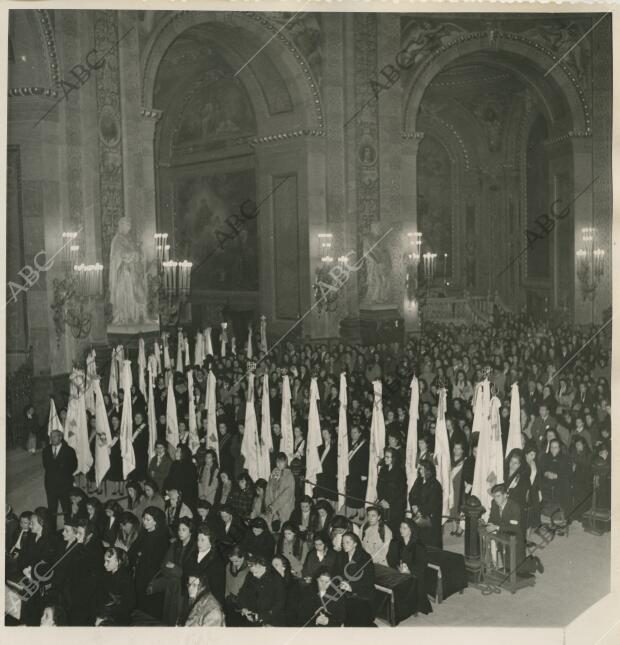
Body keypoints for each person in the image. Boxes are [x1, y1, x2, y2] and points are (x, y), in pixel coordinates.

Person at [485, 484, 542, 578]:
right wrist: (490, 524)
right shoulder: (494, 503)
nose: (496, 499)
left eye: (498, 496)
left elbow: (513, 528)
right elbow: (492, 517)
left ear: (505, 495)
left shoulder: (514, 507)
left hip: (515, 539)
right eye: (494, 496)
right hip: (502, 537)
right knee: (508, 568)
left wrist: (496, 527)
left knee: (520, 570)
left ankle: (533, 562)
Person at [386, 518, 433, 615]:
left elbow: (421, 564)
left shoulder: (418, 546)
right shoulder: (395, 542)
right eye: (400, 527)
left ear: (411, 530)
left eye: (405, 528)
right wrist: (398, 567)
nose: (401, 530)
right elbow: (390, 558)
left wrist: (409, 571)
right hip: (398, 571)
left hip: (414, 574)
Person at [129, 507, 169, 619]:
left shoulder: (161, 537)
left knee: (151, 608)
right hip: (141, 573)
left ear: (156, 521)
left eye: (148, 520)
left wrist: (140, 554)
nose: (144, 522)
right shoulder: (144, 533)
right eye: (144, 519)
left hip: (153, 576)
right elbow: (133, 550)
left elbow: (157, 559)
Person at [336, 531, 375, 626]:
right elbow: (336, 573)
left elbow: (369, 580)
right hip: (344, 591)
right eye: (343, 542)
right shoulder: (341, 555)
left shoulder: (365, 558)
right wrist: (341, 582)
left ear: (355, 544)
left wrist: (352, 587)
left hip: (361, 593)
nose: (344, 545)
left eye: (347, 542)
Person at [42, 429, 77, 529]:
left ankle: (68, 527)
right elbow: (46, 466)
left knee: (66, 508)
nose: (52, 439)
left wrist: (63, 474)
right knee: (52, 509)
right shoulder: (46, 450)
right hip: (51, 485)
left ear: (60, 437)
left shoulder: (69, 450)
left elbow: (74, 466)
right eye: (51, 437)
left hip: (65, 485)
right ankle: (52, 530)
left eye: (55, 436)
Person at [237, 553, 286, 626]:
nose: (254, 575)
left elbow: (279, 604)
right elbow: (242, 593)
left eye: (256, 572)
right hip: (251, 617)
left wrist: (261, 616)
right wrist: (244, 608)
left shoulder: (276, 579)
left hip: (270, 621)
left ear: (264, 567)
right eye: (252, 572)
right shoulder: (251, 575)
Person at [185, 523, 226, 606]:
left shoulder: (216, 562)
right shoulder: (192, 554)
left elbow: (217, 591)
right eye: (198, 539)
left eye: (203, 540)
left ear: (211, 542)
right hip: (190, 598)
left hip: (206, 603)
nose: (199, 543)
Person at [408, 460, 444, 548]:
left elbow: (432, 503)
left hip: (430, 518)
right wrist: (413, 505)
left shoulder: (435, 485)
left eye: (422, 469)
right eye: (420, 469)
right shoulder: (418, 480)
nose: (420, 471)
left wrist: (420, 511)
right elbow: (411, 494)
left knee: (429, 542)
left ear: (428, 470)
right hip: (418, 514)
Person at [97, 547, 136, 626]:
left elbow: (129, 604)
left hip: (119, 617)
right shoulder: (107, 574)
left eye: (108, 561)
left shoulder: (125, 578)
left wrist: (104, 616)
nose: (105, 564)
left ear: (118, 562)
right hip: (107, 611)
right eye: (104, 560)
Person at [376, 447, 408, 534]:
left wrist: (389, 502)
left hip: (395, 507)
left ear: (393, 458)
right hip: (383, 504)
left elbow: (400, 491)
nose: (385, 459)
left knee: (394, 531)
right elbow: (379, 486)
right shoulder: (383, 469)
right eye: (385, 456)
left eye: (387, 457)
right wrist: (382, 499)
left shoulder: (400, 472)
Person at [265, 452, 296, 531]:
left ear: (285, 462)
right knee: (271, 529)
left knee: (284, 529)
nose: (279, 464)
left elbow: (287, 494)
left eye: (281, 462)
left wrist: (275, 505)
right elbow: (268, 489)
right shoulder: (273, 473)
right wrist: (268, 504)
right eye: (277, 462)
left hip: (285, 507)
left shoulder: (289, 475)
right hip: (272, 507)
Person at [345, 425, 369, 520]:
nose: (352, 434)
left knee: (359, 493)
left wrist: (365, 474)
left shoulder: (364, 444)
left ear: (359, 433)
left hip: (360, 473)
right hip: (351, 472)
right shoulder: (350, 444)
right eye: (351, 432)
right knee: (352, 493)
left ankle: (362, 513)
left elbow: (366, 460)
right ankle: (354, 512)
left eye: (355, 432)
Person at [271, 554, 302, 626]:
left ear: (284, 567)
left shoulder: (293, 584)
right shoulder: (270, 581)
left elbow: (291, 610)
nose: (273, 568)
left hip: (286, 622)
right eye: (272, 566)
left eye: (276, 565)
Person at [224, 546, 250, 625]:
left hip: (244, 604)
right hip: (231, 602)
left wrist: (244, 606)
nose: (234, 564)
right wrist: (227, 596)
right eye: (232, 561)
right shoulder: (229, 566)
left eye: (236, 561)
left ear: (243, 557)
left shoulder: (250, 568)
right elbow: (227, 583)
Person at [315, 428, 338, 504]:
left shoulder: (335, 445)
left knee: (329, 496)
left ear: (330, 434)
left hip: (330, 474)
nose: (323, 435)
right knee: (321, 495)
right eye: (322, 434)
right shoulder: (321, 446)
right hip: (321, 473)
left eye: (325, 433)